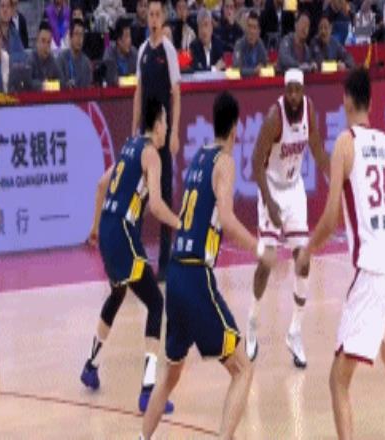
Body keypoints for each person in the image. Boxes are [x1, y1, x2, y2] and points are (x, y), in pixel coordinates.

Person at [140, 92, 275, 440]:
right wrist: (260, 248)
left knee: (169, 376)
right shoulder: (225, 162)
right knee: (243, 368)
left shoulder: (199, 156)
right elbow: (226, 219)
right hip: (197, 276)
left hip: (175, 274)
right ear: (236, 127)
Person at [296, 67, 385, 440]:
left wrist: (308, 250)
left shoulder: (345, 144)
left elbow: (330, 220)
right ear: (371, 103)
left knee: (338, 380)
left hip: (373, 273)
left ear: (346, 100)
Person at [80, 98, 181, 415]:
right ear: (157, 125)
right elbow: (157, 206)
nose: (167, 128)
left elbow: (101, 185)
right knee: (156, 303)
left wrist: (94, 227)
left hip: (109, 231)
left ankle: (90, 366)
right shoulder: (152, 154)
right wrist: (182, 224)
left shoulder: (129, 147)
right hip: (123, 234)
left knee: (118, 292)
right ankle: (148, 392)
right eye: (165, 122)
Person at [246, 68, 329, 368]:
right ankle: (252, 322)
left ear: (303, 91)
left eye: (298, 90)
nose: (294, 95)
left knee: (303, 260)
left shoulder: (309, 110)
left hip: (294, 189)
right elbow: (255, 161)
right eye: (289, 90)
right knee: (267, 262)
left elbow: (317, 150)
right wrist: (269, 203)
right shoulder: (275, 117)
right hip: (271, 188)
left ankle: (294, 331)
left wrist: (334, 176)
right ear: (284, 91)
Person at [132, 0, 181, 281]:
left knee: (162, 196)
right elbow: (138, 92)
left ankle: (164, 263)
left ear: (163, 18)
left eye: (157, 15)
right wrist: (134, 129)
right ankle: (137, 259)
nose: (153, 19)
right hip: (145, 136)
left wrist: (174, 132)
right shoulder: (142, 51)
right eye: (150, 14)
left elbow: (177, 94)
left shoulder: (168, 50)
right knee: (140, 197)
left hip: (162, 137)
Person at [27, 21, 63, 91]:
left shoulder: (51, 59)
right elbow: (28, 83)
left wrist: (49, 86)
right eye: (43, 41)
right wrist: (45, 86)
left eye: (48, 42)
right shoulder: (30, 59)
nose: (46, 46)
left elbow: (62, 82)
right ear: (37, 41)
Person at [58, 18, 92, 88]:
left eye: (81, 35)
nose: (79, 38)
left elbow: (88, 87)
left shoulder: (86, 62)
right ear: (70, 37)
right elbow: (58, 85)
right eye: (76, 34)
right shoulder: (61, 59)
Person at [103, 17, 138, 85]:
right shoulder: (109, 52)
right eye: (127, 36)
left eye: (130, 36)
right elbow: (112, 80)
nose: (130, 40)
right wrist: (132, 80)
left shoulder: (134, 52)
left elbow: (139, 78)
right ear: (119, 41)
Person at [232, 10, 267, 76]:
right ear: (245, 28)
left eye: (254, 27)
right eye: (249, 26)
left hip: (257, 81)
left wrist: (262, 65)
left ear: (259, 31)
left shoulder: (260, 44)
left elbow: (265, 62)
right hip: (242, 82)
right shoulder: (239, 45)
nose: (251, 31)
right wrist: (254, 71)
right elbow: (237, 68)